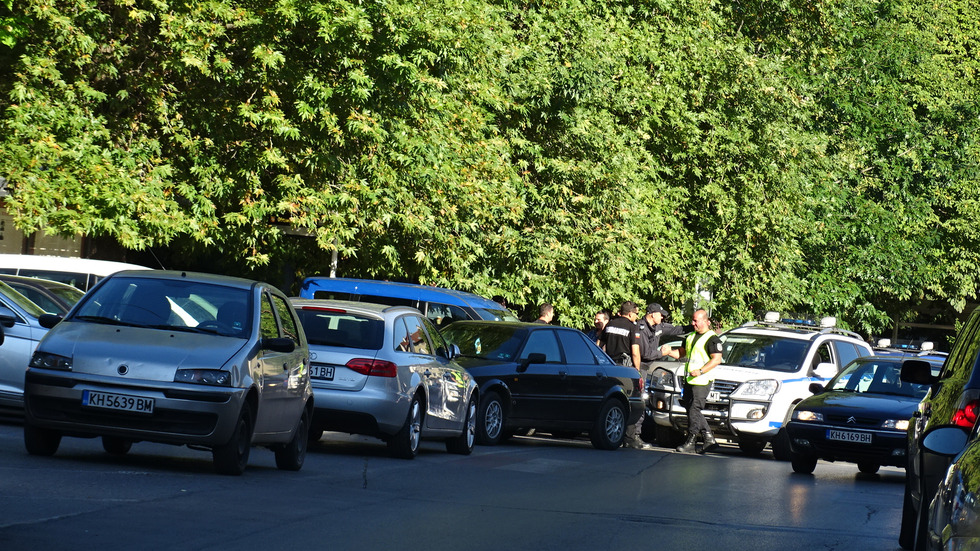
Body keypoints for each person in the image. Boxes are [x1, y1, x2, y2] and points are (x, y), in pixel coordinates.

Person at [661, 308, 723, 454]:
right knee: (690, 409)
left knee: (695, 409)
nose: (693, 323)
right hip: (690, 379)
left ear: (705, 321)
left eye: (696, 320)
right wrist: (669, 351)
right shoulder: (690, 337)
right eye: (693, 320)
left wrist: (700, 371)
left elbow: (717, 359)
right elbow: (681, 354)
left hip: (702, 380)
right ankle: (709, 439)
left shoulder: (712, 338)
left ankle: (691, 440)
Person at [600, 301, 649, 450]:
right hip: (625, 369)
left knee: (611, 401)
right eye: (636, 313)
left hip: (609, 367)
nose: (637, 316)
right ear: (630, 313)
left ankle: (610, 433)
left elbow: (599, 346)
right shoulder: (632, 327)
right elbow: (635, 351)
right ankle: (629, 438)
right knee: (631, 402)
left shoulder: (609, 325)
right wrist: (637, 371)